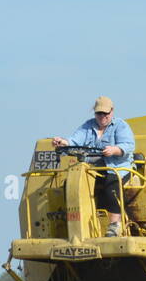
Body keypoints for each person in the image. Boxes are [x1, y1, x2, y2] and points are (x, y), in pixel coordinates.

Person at [52, 96, 136, 236]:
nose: (102, 116)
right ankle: (76, 225)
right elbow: (74, 140)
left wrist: (114, 150)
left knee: (111, 185)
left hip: (117, 167)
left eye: (105, 113)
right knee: (71, 184)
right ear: (95, 113)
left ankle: (114, 226)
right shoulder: (88, 126)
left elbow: (128, 146)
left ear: (112, 111)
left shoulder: (121, 126)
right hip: (93, 168)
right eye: (99, 113)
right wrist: (62, 142)